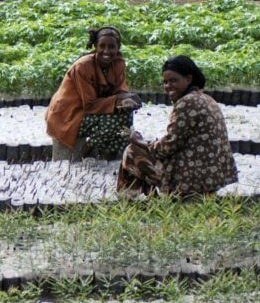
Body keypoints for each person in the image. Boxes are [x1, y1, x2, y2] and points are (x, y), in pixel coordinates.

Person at [117, 55, 238, 197]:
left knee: (132, 151)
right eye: (165, 82)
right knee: (143, 150)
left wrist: (139, 141)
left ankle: (129, 200)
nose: (168, 86)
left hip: (192, 179)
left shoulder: (186, 103)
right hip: (213, 176)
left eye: (173, 80)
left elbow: (166, 148)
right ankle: (149, 199)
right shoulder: (205, 98)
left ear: (188, 79)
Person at [45, 26, 141, 161]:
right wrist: (118, 99)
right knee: (116, 122)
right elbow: (89, 105)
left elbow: (120, 90)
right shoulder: (83, 67)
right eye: (102, 46)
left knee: (125, 117)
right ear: (95, 46)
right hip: (69, 114)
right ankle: (87, 150)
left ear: (118, 48)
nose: (106, 51)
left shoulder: (117, 63)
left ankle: (112, 155)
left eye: (111, 47)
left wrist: (125, 100)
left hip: (91, 110)